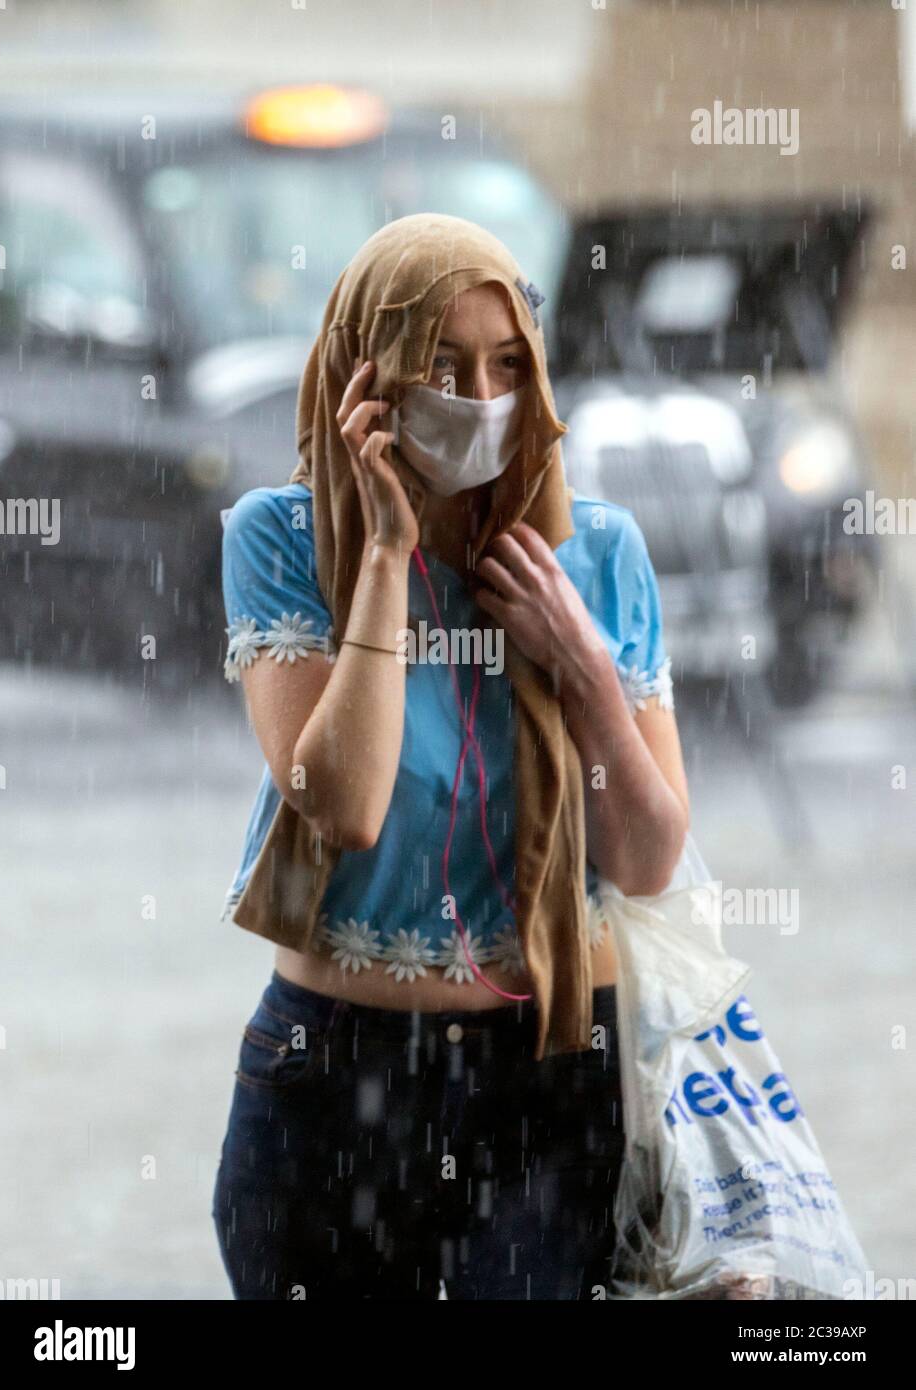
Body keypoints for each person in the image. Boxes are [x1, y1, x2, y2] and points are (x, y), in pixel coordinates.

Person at [211, 213, 690, 1300]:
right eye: (440, 362)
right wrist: (382, 551)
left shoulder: (596, 549)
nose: (479, 396)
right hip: (334, 1071)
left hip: (550, 1075)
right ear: (365, 375)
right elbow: (342, 804)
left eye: (506, 362)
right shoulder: (282, 540)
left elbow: (649, 855)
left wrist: (580, 661)